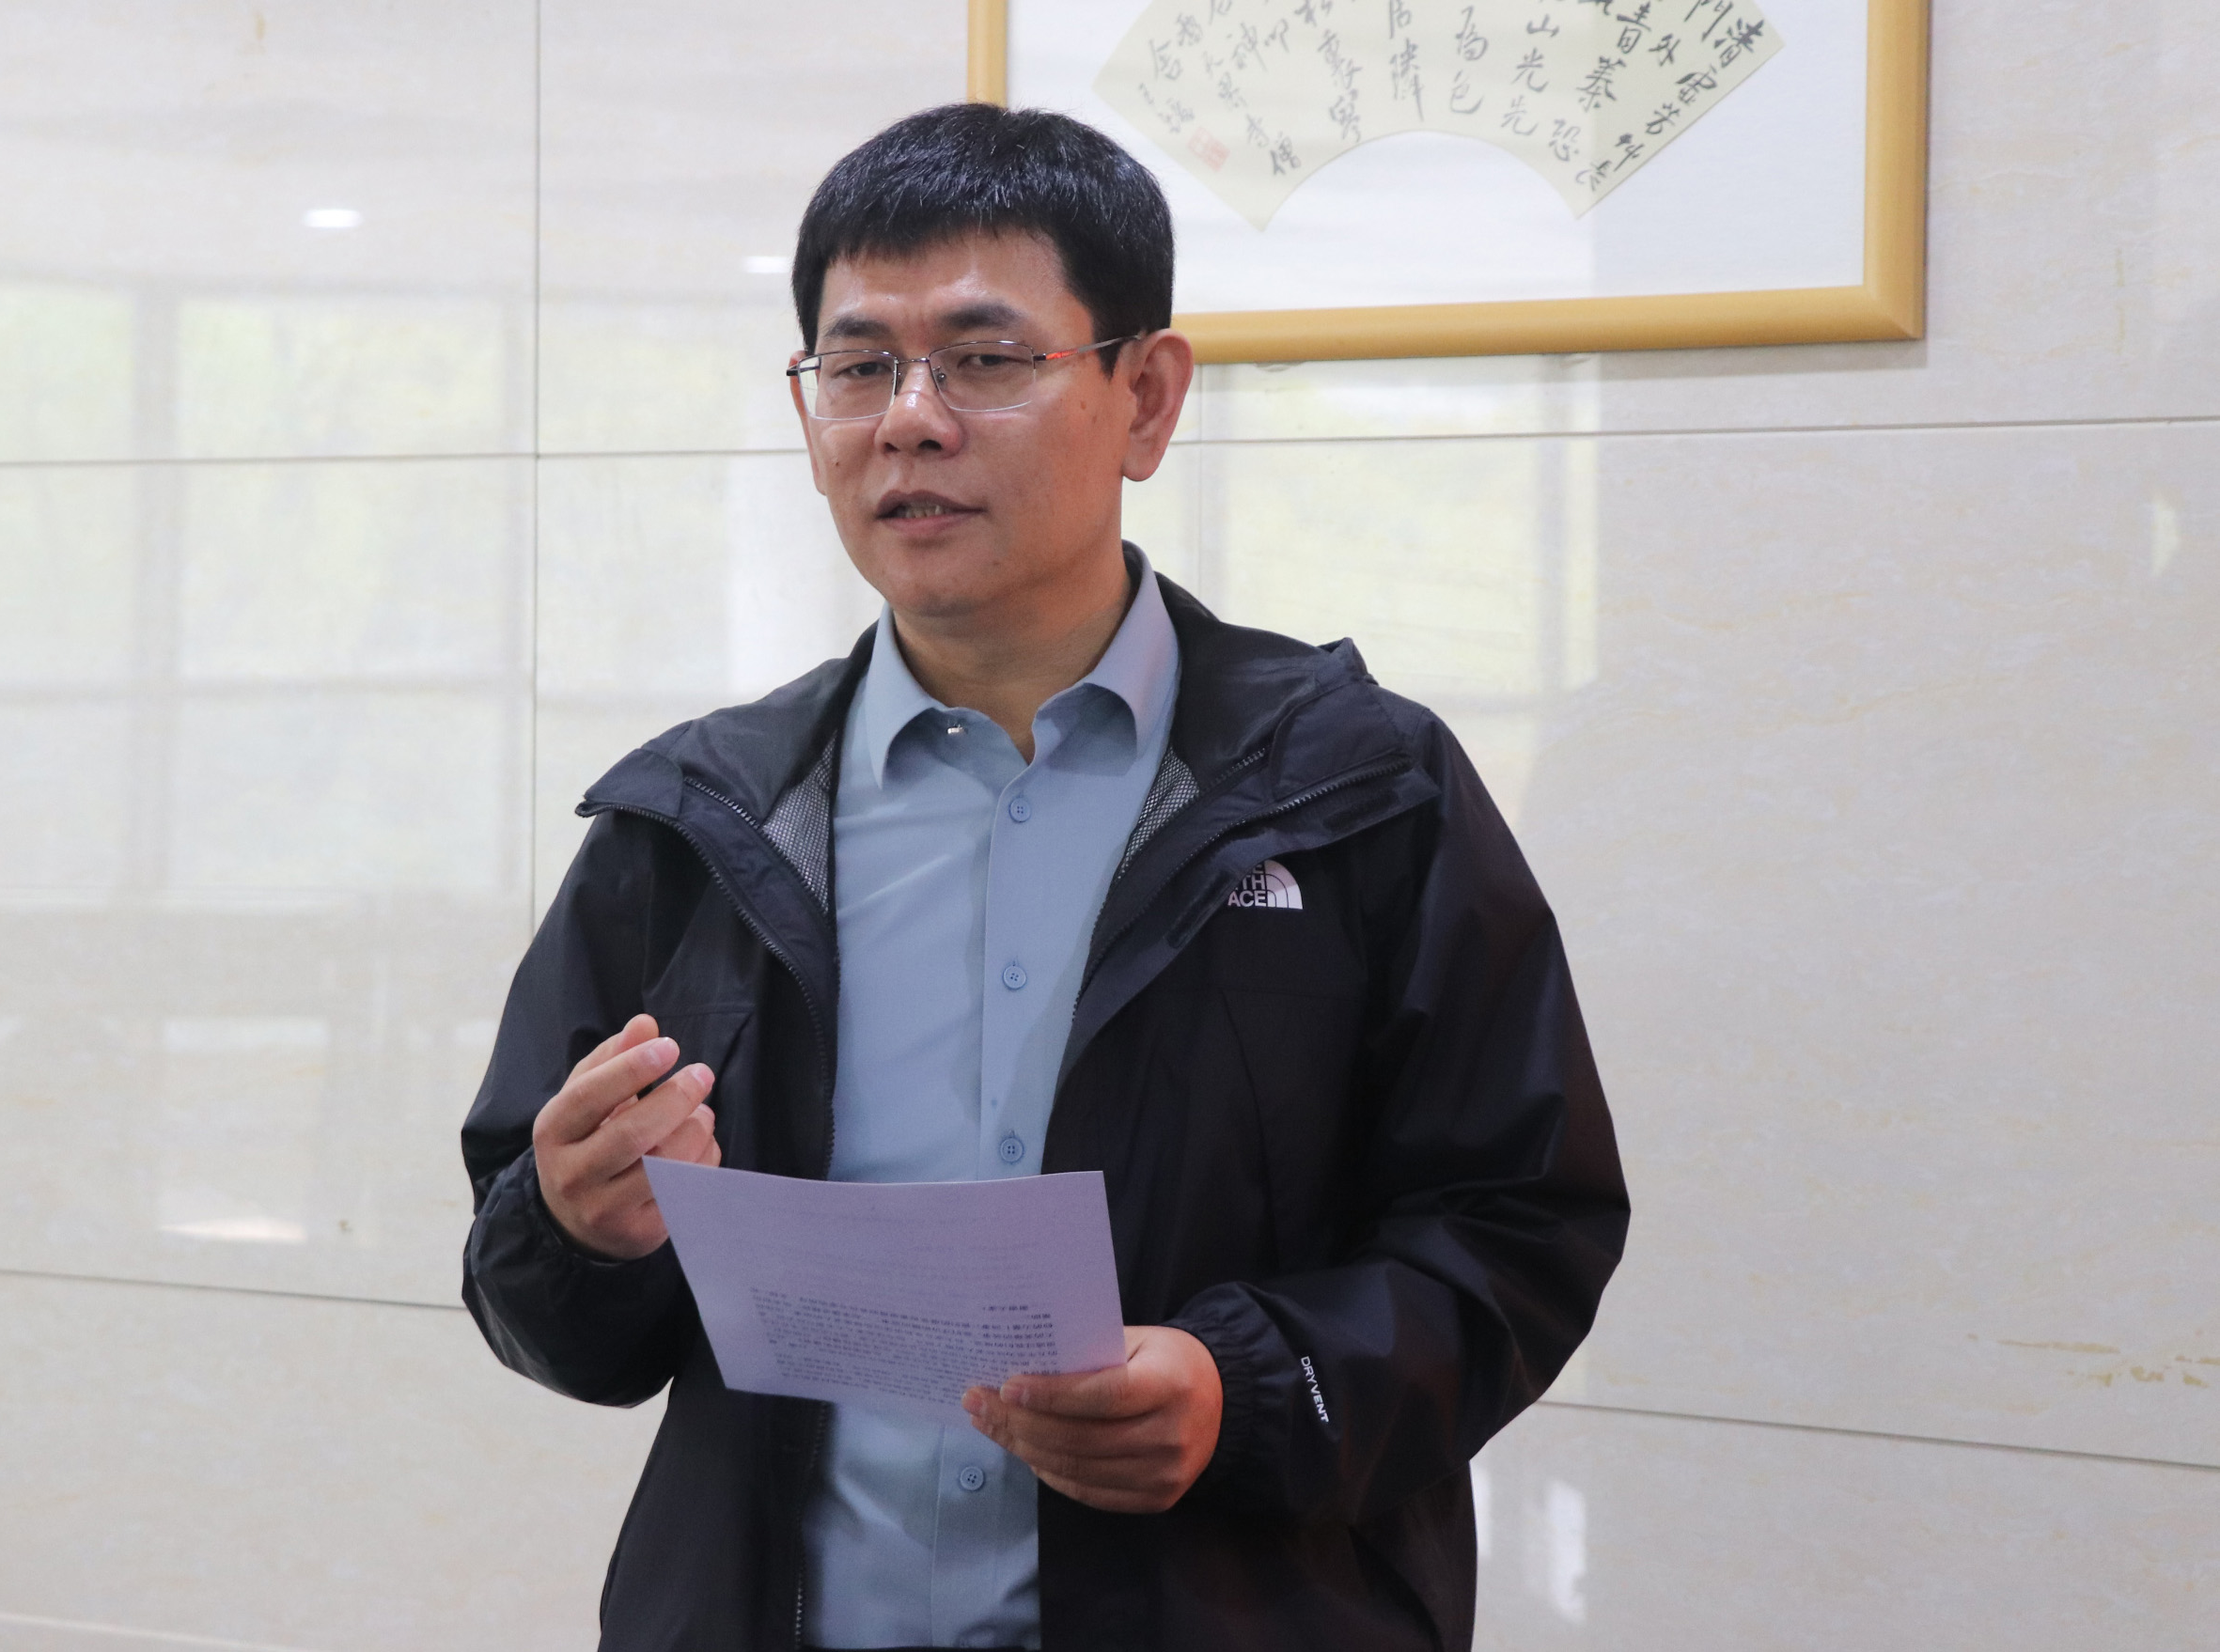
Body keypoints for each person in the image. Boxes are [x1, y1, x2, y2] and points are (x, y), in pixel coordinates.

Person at [461, 102, 1628, 1652]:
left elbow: (1518, 1225)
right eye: (858, 366)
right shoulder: (698, 821)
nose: (910, 420)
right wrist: (574, 1226)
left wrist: (1242, 1386)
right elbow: (542, 1303)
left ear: (1145, 398)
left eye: (984, 358)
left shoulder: (1355, 790)